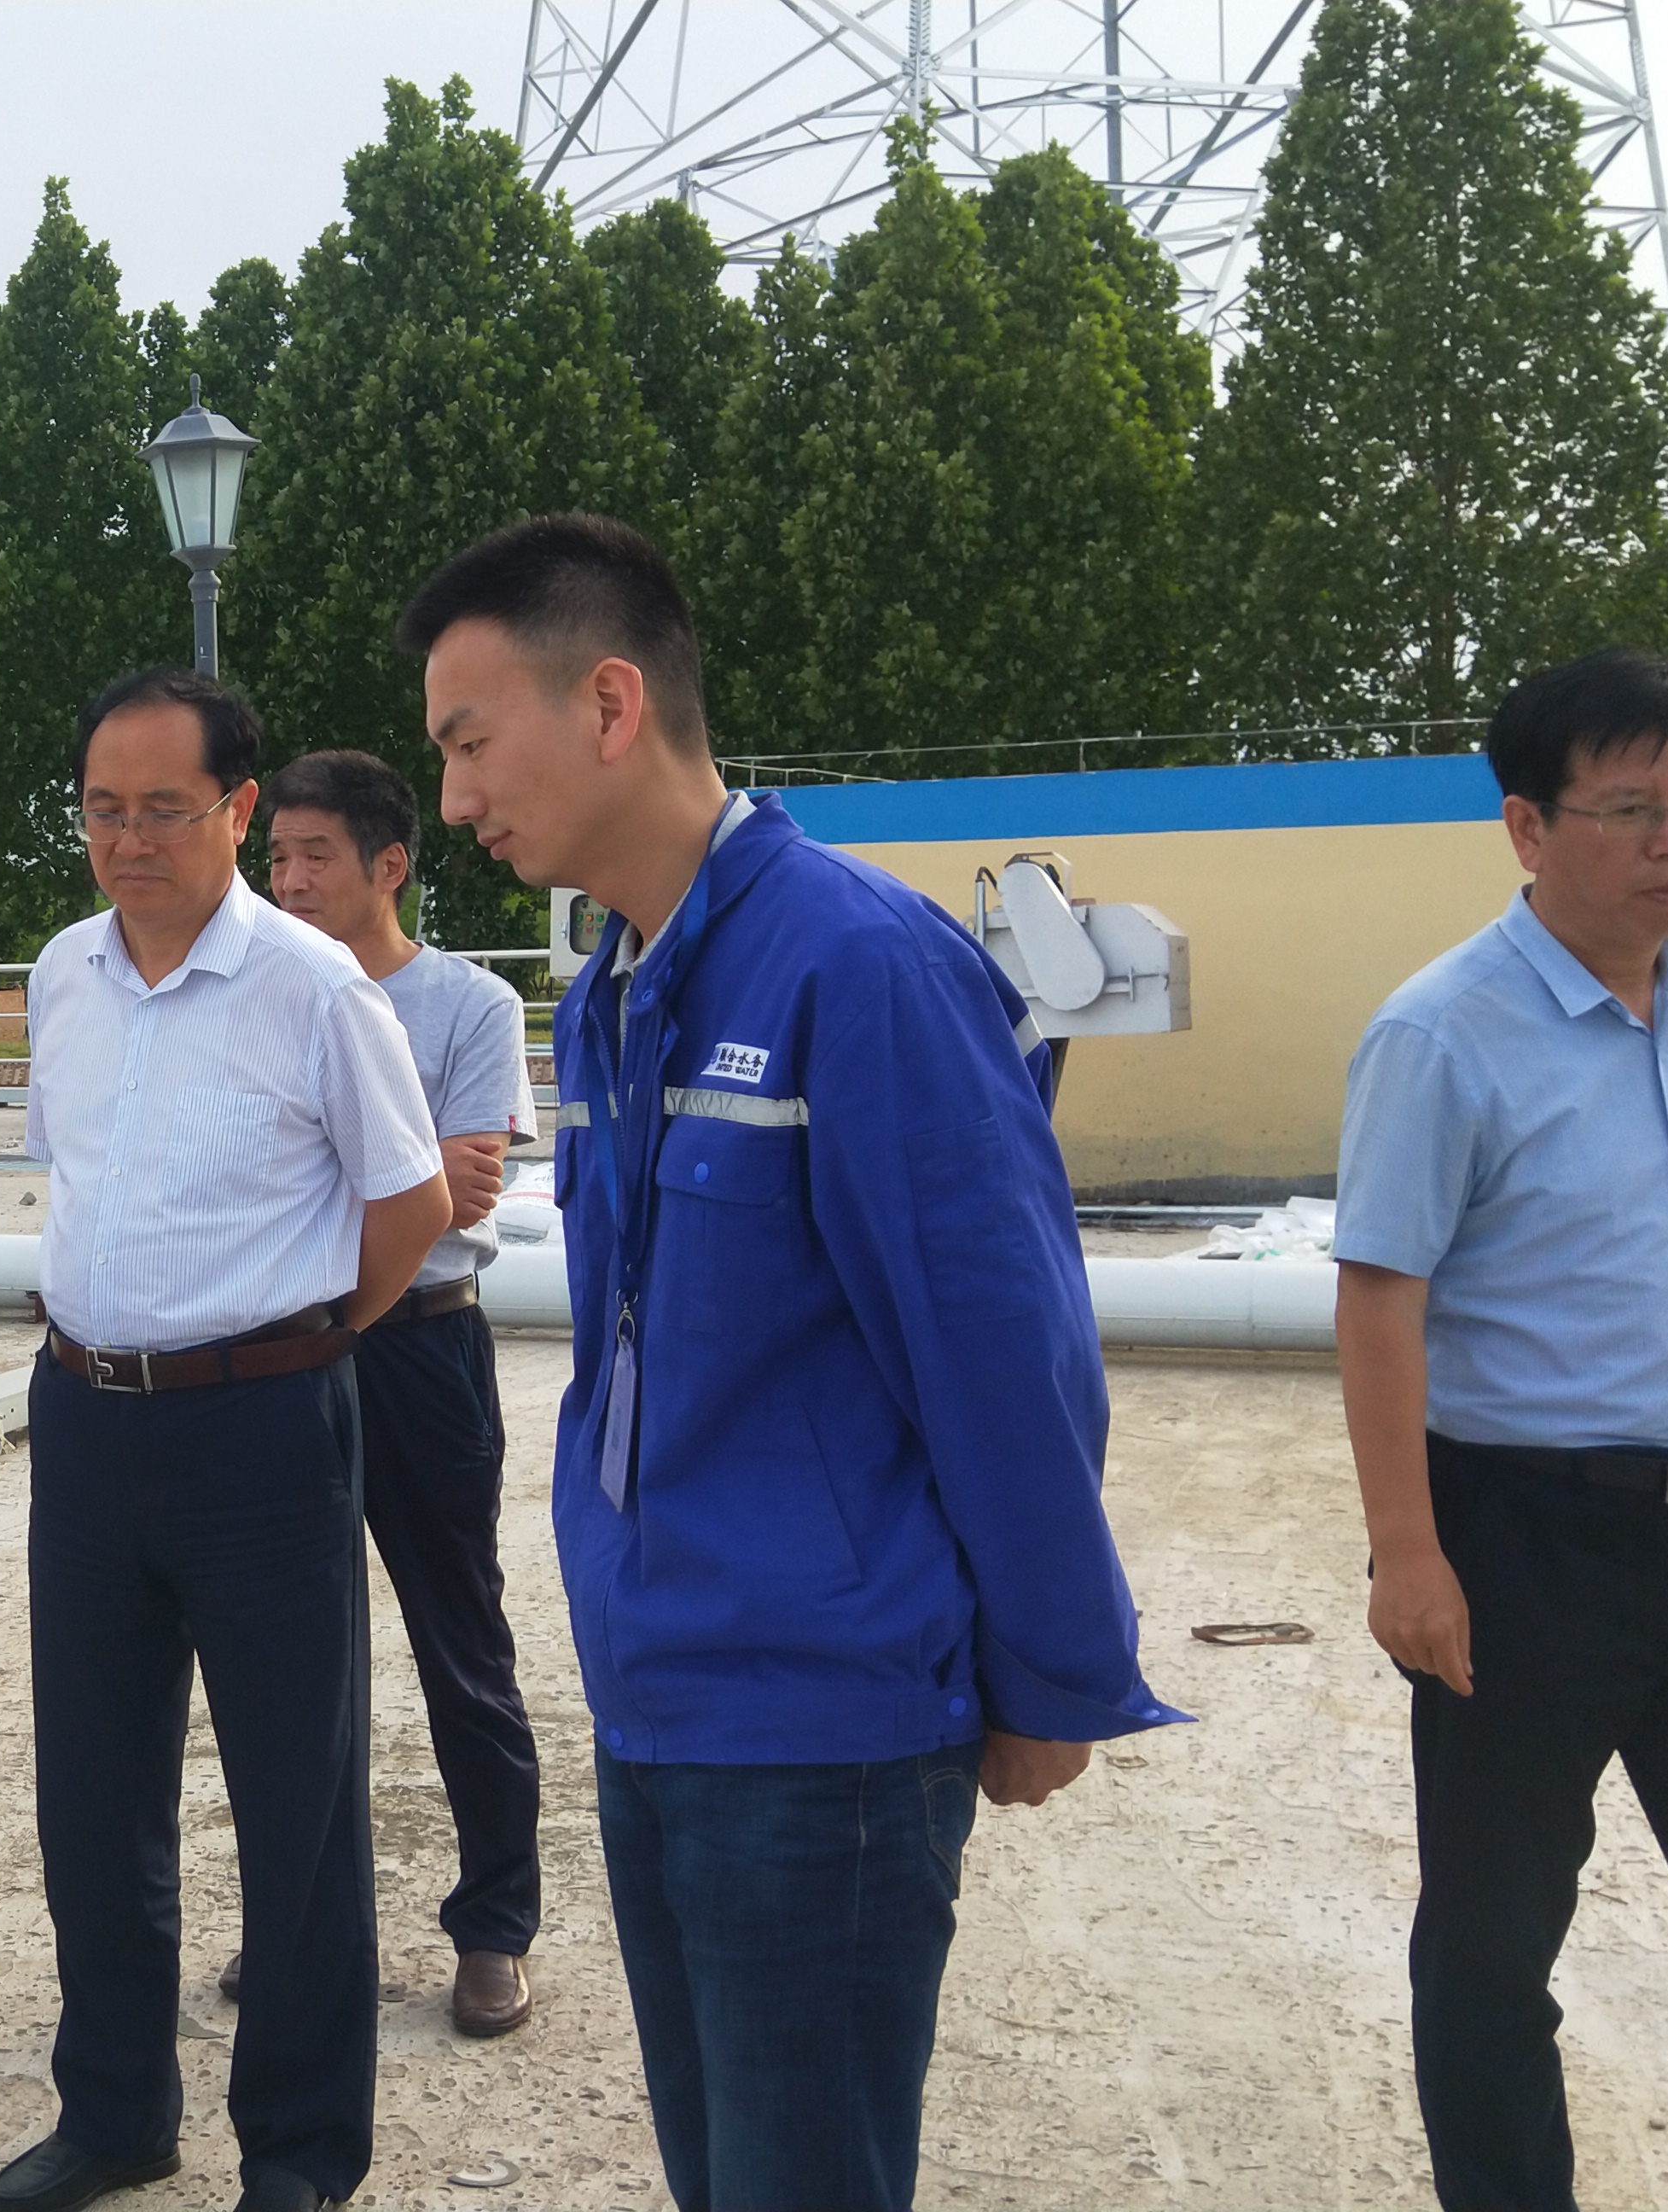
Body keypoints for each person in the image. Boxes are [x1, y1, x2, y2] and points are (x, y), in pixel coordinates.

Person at [407, 513, 1177, 2212]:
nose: (454, 800)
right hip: (658, 1692)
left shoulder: (861, 966)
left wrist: (1052, 1673)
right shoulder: (611, 989)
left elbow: (1004, 1354)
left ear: (610, 705)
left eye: (469, 743)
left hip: (823, 1733)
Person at [1334, 649, 1668, 2212]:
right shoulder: (1440, 1034)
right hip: (1525, 1546)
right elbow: (1378, 1299)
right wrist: (1406, 1552)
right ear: (1526, 825)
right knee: (1494, 1946)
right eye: (1632, 809)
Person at [0, 667, 450, 2212]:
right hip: (84, 1420)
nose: (128, 840)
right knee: (92, 1792)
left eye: (163, 810)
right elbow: (84, 1177)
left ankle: (300, 2151)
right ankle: (116, 2110)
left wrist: (301, 1340)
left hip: (263, 1427)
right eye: (102, 809)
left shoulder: (316, 990)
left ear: (238, 809)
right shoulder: (62, 973)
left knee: (294, 1801)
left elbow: (409, 1206)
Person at [259, 746, 543, 2039]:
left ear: (390, 866)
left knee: (458, 1641)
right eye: (276, 856)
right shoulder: (256, 995)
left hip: (421, 1352)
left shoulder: (468, 1004)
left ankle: (495, 1926)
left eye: (315, 855)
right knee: (288, 1661)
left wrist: (365, 1173)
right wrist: (408, 1166)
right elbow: (422, 1179)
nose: (288, 879)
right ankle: (306, 1935)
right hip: (290, 1350)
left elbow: (463, 1191)